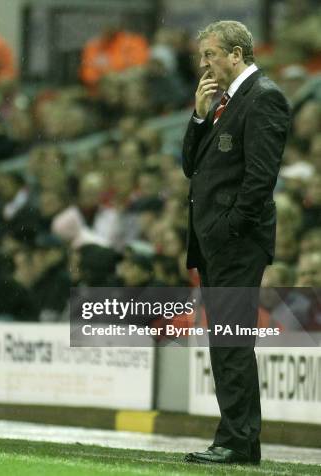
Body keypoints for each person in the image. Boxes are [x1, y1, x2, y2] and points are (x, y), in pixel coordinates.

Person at [182, 21, 290, 465]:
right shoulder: (224, 102)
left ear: (237, 54)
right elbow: (191, 166)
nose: (203, 63)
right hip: (218, 242)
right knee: (225, 341)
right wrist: (199, 115)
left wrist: (227, 230)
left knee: (230, 342)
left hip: (235, 243)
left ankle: (237, 440)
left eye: (209, 54)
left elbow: (260, 180)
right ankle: (239, 441)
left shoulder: (264, 98)